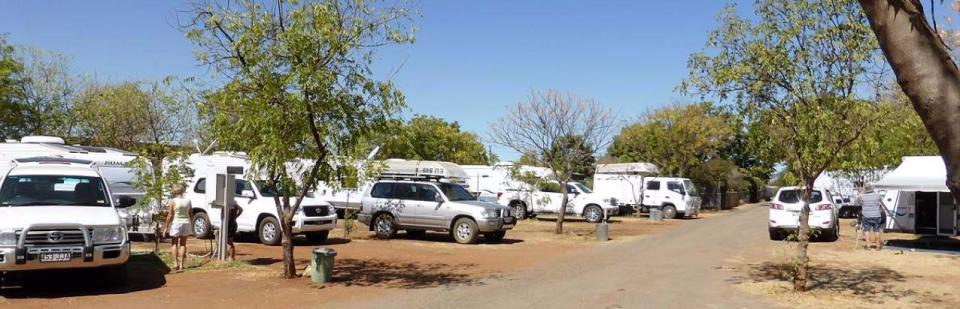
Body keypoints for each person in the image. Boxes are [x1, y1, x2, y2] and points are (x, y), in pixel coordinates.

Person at [163, 183, 192, 270]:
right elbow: (191, 213)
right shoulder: (188, 201)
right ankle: (181, 264)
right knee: (183, 244)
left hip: (176, 223)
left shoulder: (173, 201)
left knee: (174, 243)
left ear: (174, 191)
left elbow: (170, 215)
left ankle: (175, 263)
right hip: (186, 223)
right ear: (182, 191)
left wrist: (165, 227)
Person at [859, 186, 887, 251]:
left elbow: (860, 203)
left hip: (866, 215)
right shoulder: (877, 195)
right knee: (877, 230)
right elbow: (880, 202)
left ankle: (868, 246)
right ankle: (878, 246)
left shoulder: (862, 196)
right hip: (876, 215)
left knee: (866, 230)